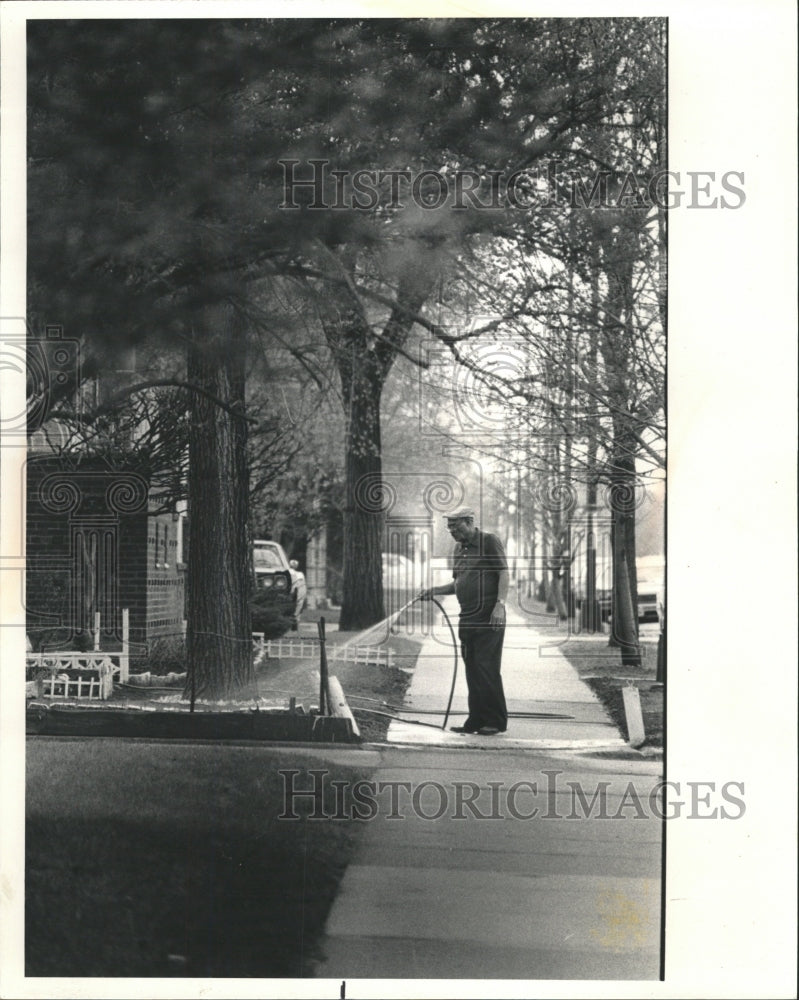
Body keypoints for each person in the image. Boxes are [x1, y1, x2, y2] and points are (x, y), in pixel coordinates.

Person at [419, 507, 509, 735]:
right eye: (449, 527)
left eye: (455, 526)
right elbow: (457, 583)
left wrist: (500, 604)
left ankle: (494, 721)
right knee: (472, 669)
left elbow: (503, 573)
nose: (452, 531)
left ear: (469, 522)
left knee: (486, 667)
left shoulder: (489, 541)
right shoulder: (458, 549)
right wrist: (434, 590)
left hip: (489, 616)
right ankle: (476, 720)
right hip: (467, 617)